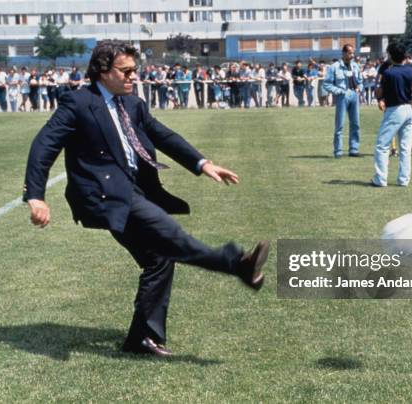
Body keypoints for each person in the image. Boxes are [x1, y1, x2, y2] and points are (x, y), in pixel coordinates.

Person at [23, 41, 270, 356]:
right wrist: (36, 196)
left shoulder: (133, 104)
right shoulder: (78, 103)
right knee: (169, 234)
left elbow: (163, 135)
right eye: (126, 71)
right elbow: (43, 146)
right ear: (102, 70)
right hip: (103, 196)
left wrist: (203, 163)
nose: (133, 76)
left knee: (159, 258)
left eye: (134, 70)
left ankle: (141, 338)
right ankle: (237, 264)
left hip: (132, 192)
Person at [372, 42, 412, 187]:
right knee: (405, 147)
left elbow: (379, 91)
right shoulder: (410, 70)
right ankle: (403, 179)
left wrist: (378, 92)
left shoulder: (388, 73)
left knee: (382, 145)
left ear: (391, 55)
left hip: (394, 110)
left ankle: (380, 179)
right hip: (408, 109)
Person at [323, 44, 363, 158]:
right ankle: (338, 151)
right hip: (342, 96)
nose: (352, 55)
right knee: (339, 125)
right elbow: (326, 84)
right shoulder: (334, 67)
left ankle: (354, 149)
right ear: (344, 53)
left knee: (356, 124)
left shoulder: (355, 66)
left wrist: (359, 89)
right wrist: (338, 91)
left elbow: (360, 81)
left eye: (353, 53)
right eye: (350, 53)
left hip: (354, 95)